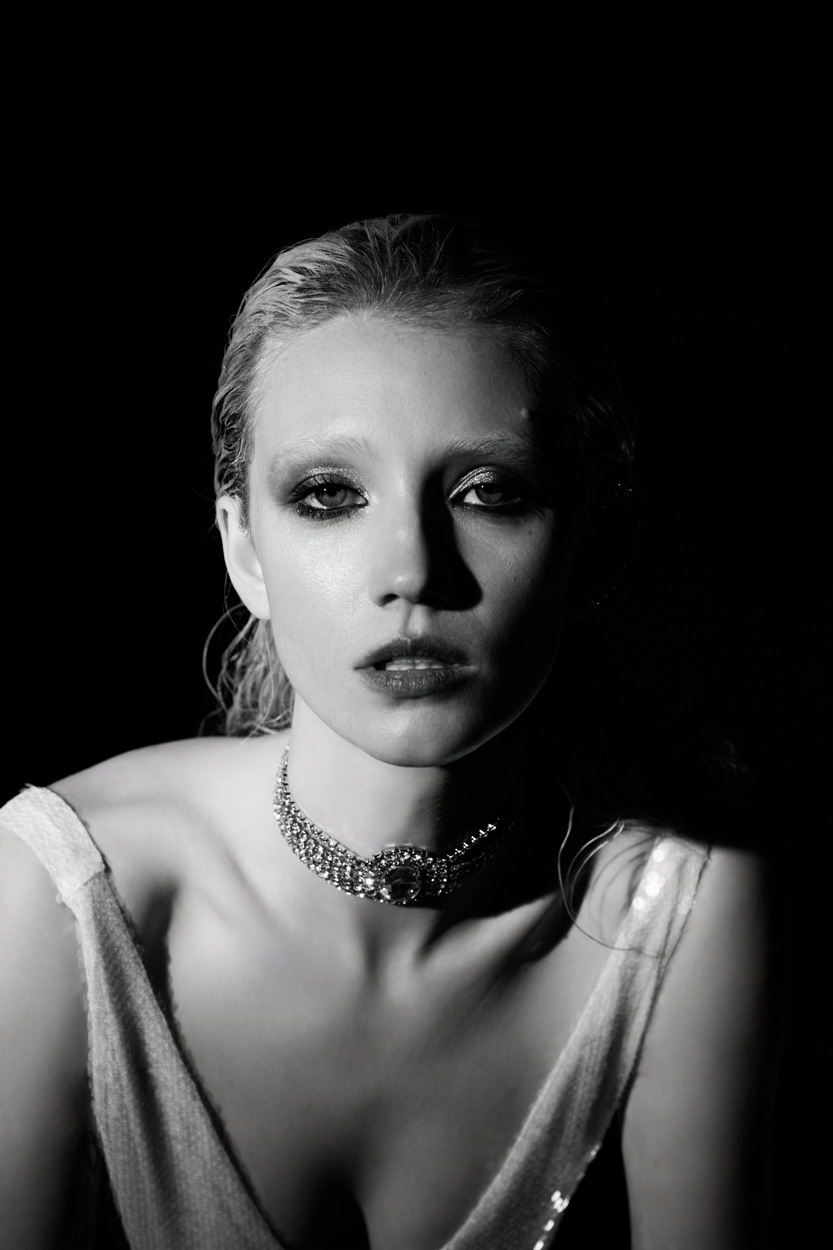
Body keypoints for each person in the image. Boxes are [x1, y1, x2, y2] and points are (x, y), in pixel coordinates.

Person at [0, 213, 780, 1249]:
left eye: (488, 492)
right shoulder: (66, 886)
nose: (413, 568)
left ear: (590, 541)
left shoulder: (680, 905)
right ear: (244, 550)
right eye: (329, 494)